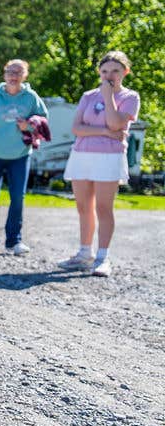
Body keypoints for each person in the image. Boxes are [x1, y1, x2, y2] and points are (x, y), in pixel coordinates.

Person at [58, 51, 140, 278]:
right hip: (82, 155)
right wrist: (104, 131)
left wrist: (108, 96)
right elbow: (77, 129)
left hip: (110, 157)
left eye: (115, 70)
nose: (109, 75)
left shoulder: (130, 97)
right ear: (99, 73)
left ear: (125, 72)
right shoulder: (87, 95)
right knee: (83, 207)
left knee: (103, 208)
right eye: (104, 71)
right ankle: (85, 254)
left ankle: (103, 258)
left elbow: (116, 123)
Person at [0, 59, 48, 255]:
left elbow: (43, 119)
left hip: (20, 155)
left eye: (18, 72)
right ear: (4, 74)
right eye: (10, 71)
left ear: (25, 75)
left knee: (18, 197)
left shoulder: (31, 97)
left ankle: (14, 241)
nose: (13, 75)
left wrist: (28, 126)